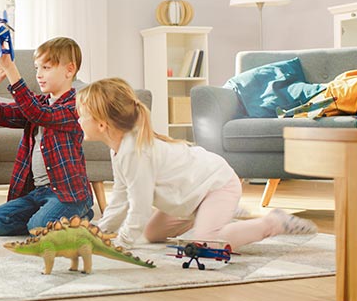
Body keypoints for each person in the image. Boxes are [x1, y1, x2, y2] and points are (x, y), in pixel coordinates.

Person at [75, 77, 317, 250]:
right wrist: (100, 231)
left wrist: (121, 243)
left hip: (216, 185)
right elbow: (120, 196)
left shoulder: (136, 152)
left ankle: (272, 222)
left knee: (208, 244)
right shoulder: (118, 149)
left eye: (82, 116)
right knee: (152, 233)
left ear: (102, 124)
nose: (78, 120)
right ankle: (215, 213)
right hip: (190, 196)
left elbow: (138, 206)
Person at [0, 37, 94, 236]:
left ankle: (79, 213)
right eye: (37, 68)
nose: (39, 75)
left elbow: (39, 114)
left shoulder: (75, 106)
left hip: (67, 193)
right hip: (38, 192)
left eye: (46, 68)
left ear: (69, 70)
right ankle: (58, 218)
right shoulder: (39, 103)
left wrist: (10, 69)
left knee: (38, 227)